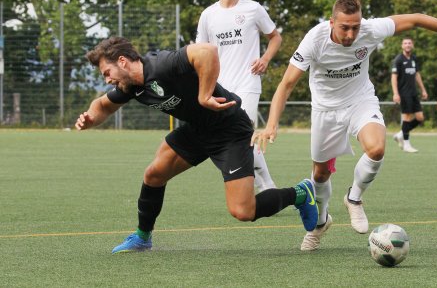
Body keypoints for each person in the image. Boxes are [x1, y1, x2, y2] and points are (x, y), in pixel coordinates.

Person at [253, 0, 437, 251]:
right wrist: (272, 123)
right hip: (325, 111)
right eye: (344, 27)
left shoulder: (371, 30)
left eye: (356, 26)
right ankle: (320, 223)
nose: (351, 33)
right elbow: (286, 84)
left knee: (376, 149)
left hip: (360, 101)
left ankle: (354, 198)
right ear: (331, 22)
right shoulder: (314, 40)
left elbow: (416, 19)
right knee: (320, 174)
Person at [74, 37, 318, 254]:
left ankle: (299, 193)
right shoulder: (131, 86)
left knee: (243, 210)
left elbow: (207, 51)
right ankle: (142, 237)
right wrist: (90, 119)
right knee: (154, 174)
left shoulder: (162, 65)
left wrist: (204, 94)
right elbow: (102, 104)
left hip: (228, 129)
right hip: (197, 130)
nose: (108, 80)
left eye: (107, 72)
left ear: (123, 61)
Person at [196, 0, 282, 192]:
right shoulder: (208, 15)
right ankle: (267, 185)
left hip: (248, 83)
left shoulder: (253, 9)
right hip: (220, 87)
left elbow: (275, 37)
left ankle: (265, 187)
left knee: (244, 133)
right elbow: (200, 52)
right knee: (235, 137)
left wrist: (264, 59)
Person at [391, 37, 428, 153]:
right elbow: (394, 78)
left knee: (420, 118)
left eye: (409, 43)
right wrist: (396, 93)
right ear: (402, 46)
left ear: (412, 45)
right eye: (405, 43)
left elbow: (417, 74)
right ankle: (406, 145)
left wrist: (423, 90)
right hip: (404, 93)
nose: (407, 45)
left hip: (413, 93)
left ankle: (400, 134)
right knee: (406, 118)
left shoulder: (413, 59)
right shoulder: (398, 60)